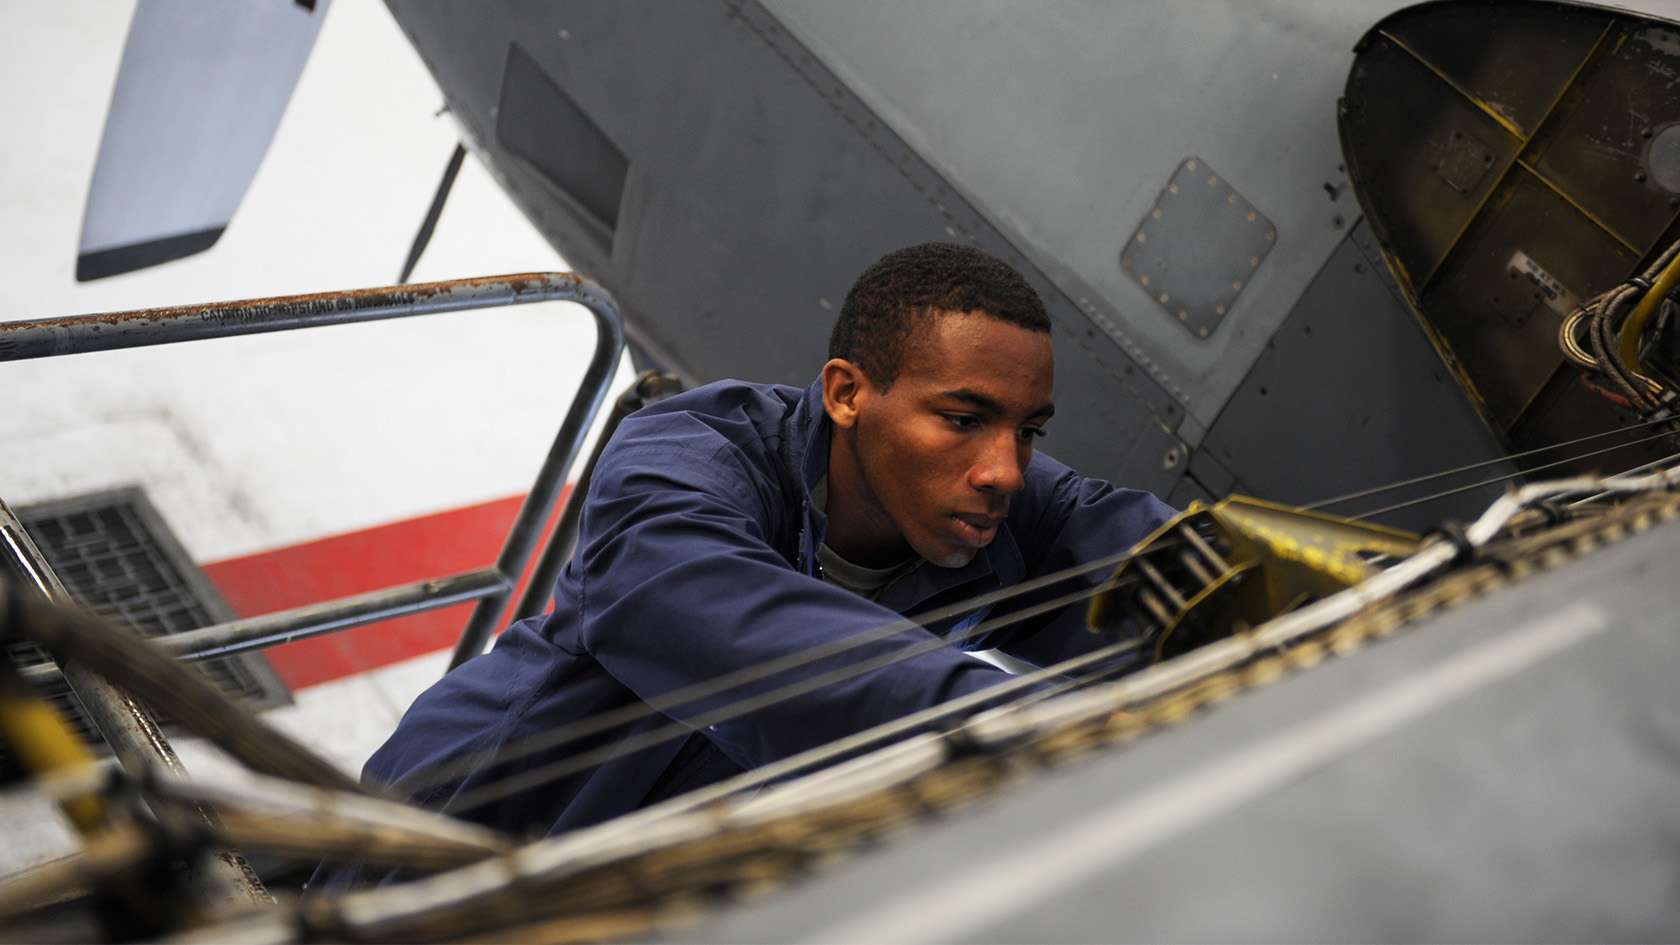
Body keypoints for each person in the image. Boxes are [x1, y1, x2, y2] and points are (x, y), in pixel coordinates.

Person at [322, 242, 1172, 885]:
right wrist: (1011, 730)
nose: (1005, 470)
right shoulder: (685, 456)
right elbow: (723, 623)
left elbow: (1154, 558)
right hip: (443, 851)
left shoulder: (993, 505)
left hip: (642, 893)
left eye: (1029, 431)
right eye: (963, 418)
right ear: (847, 394)